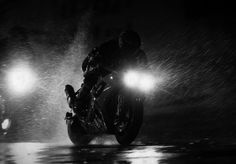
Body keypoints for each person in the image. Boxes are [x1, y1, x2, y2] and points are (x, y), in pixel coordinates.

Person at [65, 30, 147, 114]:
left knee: (139, 85)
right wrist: (95, 59)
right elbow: (96, 54)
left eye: (134, 48)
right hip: (101, 68)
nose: (131, 50)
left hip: (120, 74)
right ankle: (78, 102)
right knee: (93, 75)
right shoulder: (110, 46)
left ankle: (122, 109)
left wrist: (146, 76)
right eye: (129, 47)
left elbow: (144, 67)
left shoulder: (139, 54)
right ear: (122, 43)